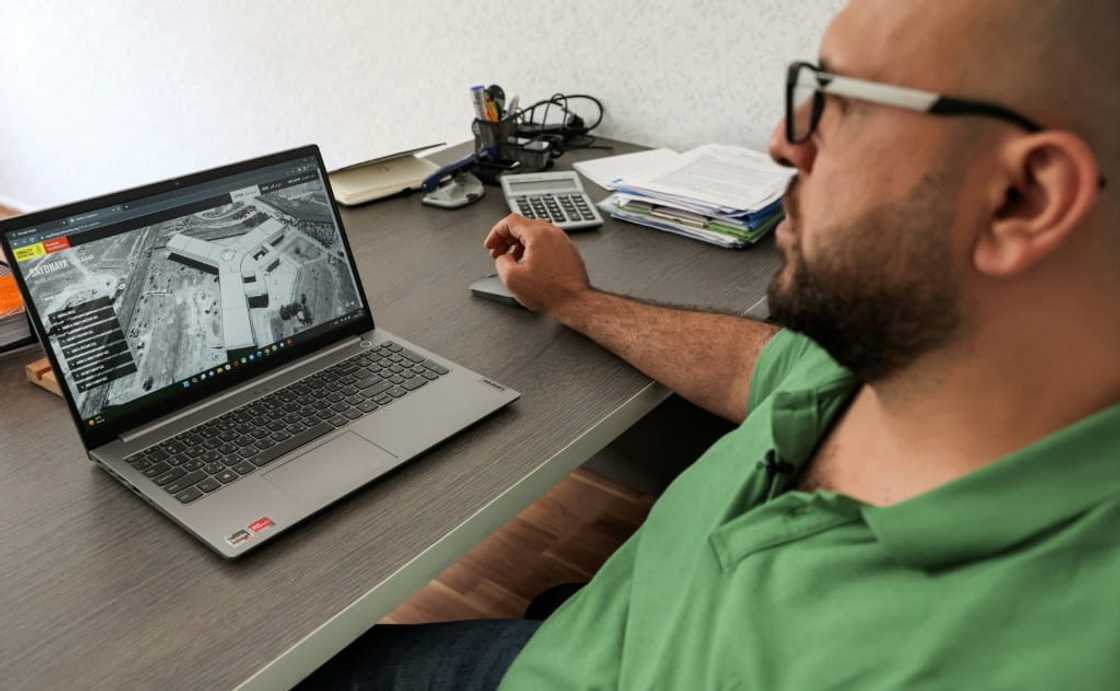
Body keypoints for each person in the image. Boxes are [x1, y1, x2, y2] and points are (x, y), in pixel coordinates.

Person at [299, 0, 1119, 688]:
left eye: (841, 102)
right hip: (602, 634)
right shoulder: (906, 345)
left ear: (1021, 197)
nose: (785, 142)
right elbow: (758, 365)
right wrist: (575, 300)